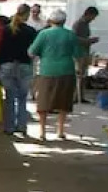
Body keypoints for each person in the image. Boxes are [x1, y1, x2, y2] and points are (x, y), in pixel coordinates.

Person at [28, 8, 82, 141]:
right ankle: (61, 130)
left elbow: (32, 52)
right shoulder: (70, 35)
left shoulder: (44, 34)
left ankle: (42, 132)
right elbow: (78, 54)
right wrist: (79, 68)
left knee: (44, 101)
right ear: (64, 21)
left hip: (47, 70)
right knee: (64, 101)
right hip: (66, 70)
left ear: (51, 20)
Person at [0, 4, 37, 137]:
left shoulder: (7, 30)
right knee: (23, 98)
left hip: (7, 65)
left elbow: (1, 49)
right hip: (24, 66)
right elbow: (33, 51)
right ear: (27, 14)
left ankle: (9, 127)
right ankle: (22, 126)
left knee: (9, 98)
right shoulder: (31, 31)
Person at [72, 5, 99, 103]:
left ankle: (81, 96)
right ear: (89, 14)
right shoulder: (78, 24)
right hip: (78, 53)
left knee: (83, 76)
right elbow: (74, 38)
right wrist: (88, 41)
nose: (93, 19)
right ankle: (74, 97)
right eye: (93, 17)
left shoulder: (86, 24)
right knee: (78, 75)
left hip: (84, 52)